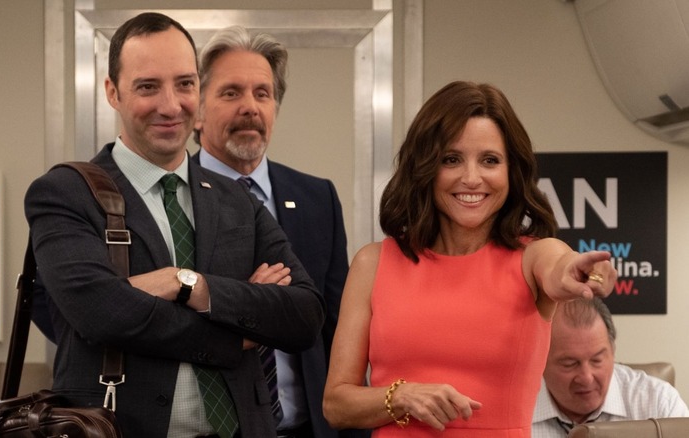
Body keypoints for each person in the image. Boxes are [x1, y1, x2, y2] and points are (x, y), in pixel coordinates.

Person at [24, 12, 325, 438]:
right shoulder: (65, 193)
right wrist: (239, 331)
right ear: (113, 92)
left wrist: (187, 285)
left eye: (184, 84)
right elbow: (100, 314)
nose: (170, 105)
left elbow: (304, 315)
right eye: (148, 87)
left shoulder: (237, 199)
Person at [322, 80, 616, 437]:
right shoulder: (373, 263)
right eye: (452, 159)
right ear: (425, 168)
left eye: (490, 160)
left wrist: (577, 271)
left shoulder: (532, 257)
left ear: (511, 171)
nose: (472, 178)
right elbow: (336, 405)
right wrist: (400, 396)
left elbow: (560, 266)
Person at [192, 25, 368, 438]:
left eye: (263, 94)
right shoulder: (170, 194)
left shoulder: (317, 198)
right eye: (231, 93)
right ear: (197, 111)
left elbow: (338, 332)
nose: (250, 107)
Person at [531, 298, 689, 437]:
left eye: (597, 360)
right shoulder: (518, 408)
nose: (586, 377)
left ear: (613, 352)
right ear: (541, 361)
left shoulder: (659, 402)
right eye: (570, 364)